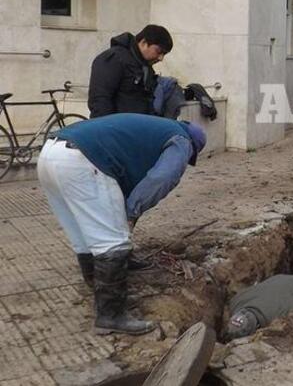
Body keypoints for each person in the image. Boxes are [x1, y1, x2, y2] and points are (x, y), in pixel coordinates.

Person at [37, 114, 206, 335]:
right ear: (194, 146)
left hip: (50, 155)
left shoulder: (153, 128)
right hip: (83, 161)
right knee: (112, 240)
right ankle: (111, 315)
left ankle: (97, 287)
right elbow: (162, 178)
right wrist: (132, 211)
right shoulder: (182, 141)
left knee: (83, 233)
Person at [88, 25, 174, 118]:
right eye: (158, 51)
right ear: (144, 42)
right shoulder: (115, 58)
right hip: (115, 127)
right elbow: (100, 99)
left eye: (164, 54)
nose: (160, 58)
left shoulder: (144, 67)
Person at [224, 275, 293, 341]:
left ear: (257, 328)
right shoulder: (235, 302)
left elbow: (292, 324)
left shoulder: (281, 313)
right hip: (278, 278)